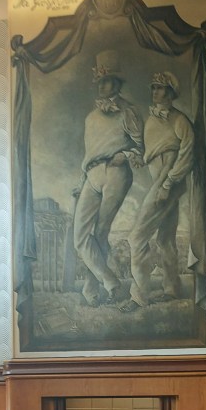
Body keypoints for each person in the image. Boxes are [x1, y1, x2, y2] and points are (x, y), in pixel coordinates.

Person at [72, 50, 143, 307]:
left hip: (116, 172)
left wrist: (126, 155)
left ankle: (92, 292)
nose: (103, 86)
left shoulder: (128, 112)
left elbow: (141, 148)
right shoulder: (90, 118)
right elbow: (88, 155)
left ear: (117, 83)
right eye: (100, 81)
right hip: (91, 175)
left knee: (100, 232)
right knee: (80, 237)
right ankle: (111, 282)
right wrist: (81, 182)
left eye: (108, 81)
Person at [125, 70, 195, 313]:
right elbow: (150, 152)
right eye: (153, 87)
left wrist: (167, 185)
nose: (155, 92)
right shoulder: (151, 120)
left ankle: (139, 297)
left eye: (161, 88)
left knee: (136, 237)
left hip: (168, 183)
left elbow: (187, 156)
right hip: (159, 180)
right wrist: (139, 159)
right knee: (165, 239)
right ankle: (172, 288)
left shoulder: (180, 121)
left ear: (171, 93)